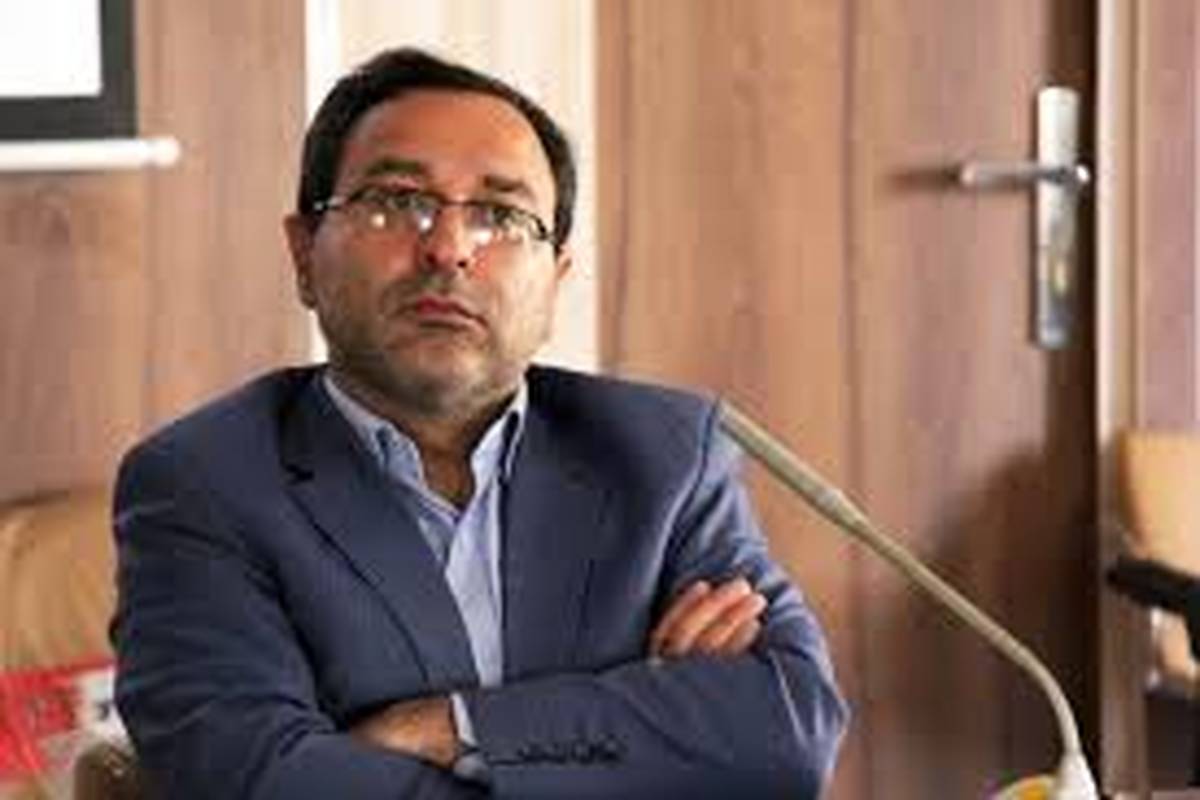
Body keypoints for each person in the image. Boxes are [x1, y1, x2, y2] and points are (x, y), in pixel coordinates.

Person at [110, 47, 847, 799]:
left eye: (500, 215)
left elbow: (790, 731)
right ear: (305, 254)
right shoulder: (203, 484)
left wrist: (456, 727)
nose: (449, 249)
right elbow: (260, 780)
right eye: (397, 200)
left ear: (555, 279)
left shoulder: (664, 454)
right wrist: (648, 742)